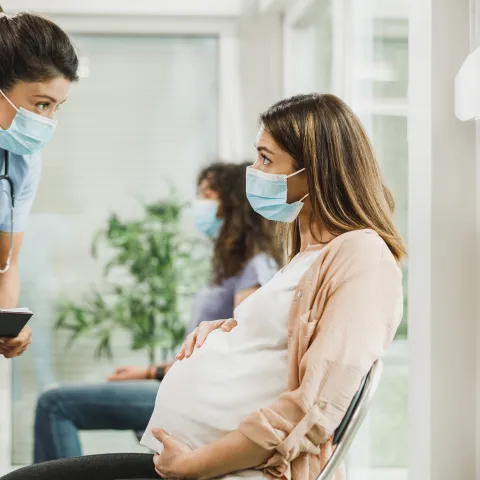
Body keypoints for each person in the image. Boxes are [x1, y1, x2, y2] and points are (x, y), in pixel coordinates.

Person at [5, 93, 405, 480]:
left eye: (266, 158)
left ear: (315, 171)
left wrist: (196, 465)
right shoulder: (304, 256)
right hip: (190, 464)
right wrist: (223, 330)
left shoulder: (362, 255)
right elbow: (279, 340)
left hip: (222, 470)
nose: (255, 171)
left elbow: (315, 405)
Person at [32, 162, 282, 463]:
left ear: (233, 202)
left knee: (55, 405)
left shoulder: (255, 266)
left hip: (199, 396)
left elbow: (238, 347)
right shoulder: (233, 266)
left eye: (208, 194)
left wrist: (154, 373)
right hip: (185, 385)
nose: (200, 203)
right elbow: (202, 348)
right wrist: (150, 372)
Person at [0, 7, 78, 358]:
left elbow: (6, 263)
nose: (47, 120)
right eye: (41, 104)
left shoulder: (23, 160)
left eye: (56, 107)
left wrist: (5, 329)